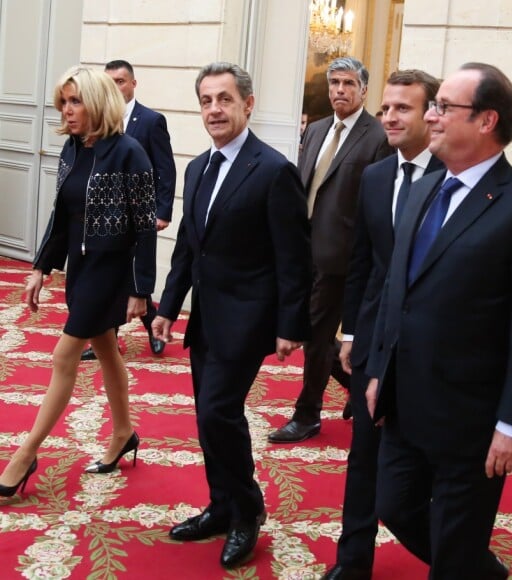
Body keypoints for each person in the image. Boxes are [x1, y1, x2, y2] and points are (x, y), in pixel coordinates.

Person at [366, 62, 512, 579]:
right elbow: (396, 290)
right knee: (393, 505)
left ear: (486, 121)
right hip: (404, 401)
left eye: (443, 107)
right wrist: (378, 371)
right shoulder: (425, 186)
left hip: (471, 419)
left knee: (455, 546)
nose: (430, 117)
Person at [151, 62, 311, 569]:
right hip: (206, 319)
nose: (214, 109)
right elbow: (188, 250)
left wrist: (291, 324)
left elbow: (294, 256)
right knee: (208, 418)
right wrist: (168, 308)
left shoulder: (272, 170)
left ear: (248, 104)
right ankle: (221, 505)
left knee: (218, 412)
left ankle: (247, 509)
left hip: (248, 317)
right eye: (206, 100)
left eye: (224, 99)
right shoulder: (198, 168)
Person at [0, 66, 157, 498]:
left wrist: (141, 288)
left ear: (97, 102)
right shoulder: (72, 150)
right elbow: (62, 216)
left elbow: (145, 226)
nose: (67, 111)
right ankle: (124, 431)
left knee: (62, 357)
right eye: (63, 102)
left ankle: (25, 454)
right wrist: (40, 267)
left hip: (111, 272)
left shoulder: (129, 152)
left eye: (75, 101)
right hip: (81, 268)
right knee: (107, 351)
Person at [322, 69, 443, 580]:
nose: (390, 117)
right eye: (387, 108)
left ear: (432, 114)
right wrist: (351, 331)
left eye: (403, 108)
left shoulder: (451, 179)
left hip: (428, 355)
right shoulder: (376, 177)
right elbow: (363, 263)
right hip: (373, 343)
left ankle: (462, 560)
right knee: (363, 462)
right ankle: (353, 564)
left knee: (418, 476)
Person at [268, 56, 391, 444]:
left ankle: (307, 415)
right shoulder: (318, 129)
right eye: (335, 82)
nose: (340, 90)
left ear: (364, 90)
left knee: (316, 336)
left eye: (349, 84)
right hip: (304, 250)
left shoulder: (378, 137)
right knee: (313, 331)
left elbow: (377, 203)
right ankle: (356, 386)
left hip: (343, 256)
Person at [81, 59, 176, 360]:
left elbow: (166, 169)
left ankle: (144, 326)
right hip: (106, 218)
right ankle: (116, 337)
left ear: (133, 84)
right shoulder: (96, 121)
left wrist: (162, 212)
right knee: (117, 275)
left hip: (140, 216)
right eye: (109, 82)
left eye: (120, 81)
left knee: (131, 274)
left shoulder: (150, 121)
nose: (115, 87)